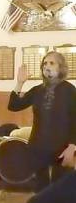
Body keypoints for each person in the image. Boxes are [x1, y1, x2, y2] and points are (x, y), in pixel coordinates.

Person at [8, 52, 75, 190]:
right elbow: (13, 106)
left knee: (60, 190)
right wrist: (20, 83)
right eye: (45, 63)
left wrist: (73, 146)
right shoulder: (37, 90)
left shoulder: (70, 90)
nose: (47, 66)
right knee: (40, 190)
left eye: (52, 63)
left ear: (61, 67)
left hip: (62, 149)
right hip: (37, 148)